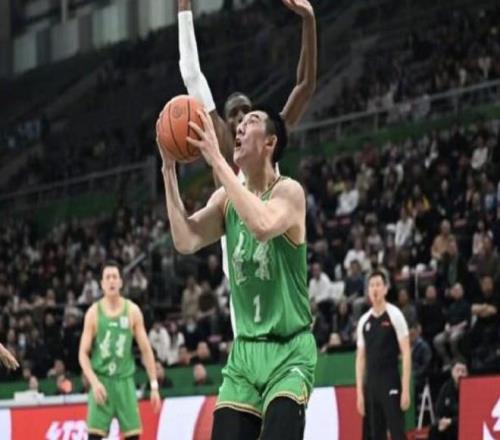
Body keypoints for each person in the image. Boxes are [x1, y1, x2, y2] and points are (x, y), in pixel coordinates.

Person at [158, 107, 316, 440]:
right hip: (244, 355)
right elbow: (185, 239)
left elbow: (262, 225)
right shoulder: (224, 200)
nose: (240, 128)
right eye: (239, 124)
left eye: (251, 121)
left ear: (270, 142)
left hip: (289, 351)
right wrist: (168, 169)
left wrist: (217, 160)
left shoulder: (289, 192)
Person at [79, 261, 161, 440]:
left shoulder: (132, 311)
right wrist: (94, 382)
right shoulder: (93, 313)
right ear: (102, 284)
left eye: (115, 277)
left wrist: (154, 385)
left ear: (121, 282)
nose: (111, 281)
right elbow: (82, 353)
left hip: (125, 381)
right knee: (94, 436)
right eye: (107, 277)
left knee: (133, 436)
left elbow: (146, 350)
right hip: (102, 381)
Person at [356, 270, 411, 440]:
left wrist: (405, 389)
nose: (375, 289)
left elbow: (406, 352)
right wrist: (359, 393)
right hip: (371, 385)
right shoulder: (364, 321)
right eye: (372, 285)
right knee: (375, 435)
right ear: (368, 291)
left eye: (378, 285)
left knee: (397, 431)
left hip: (390, 381)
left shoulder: (395, 315)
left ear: (386, 289)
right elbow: (360, 359)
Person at [428, 359, 468, 440]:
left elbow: (470, 415)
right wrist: (442, 421)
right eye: (457, 371)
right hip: (448, 423)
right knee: (434, 430)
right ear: (452, 372)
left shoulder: (471, 388)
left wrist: (452, 421)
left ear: (467, 374)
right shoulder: (446, 388)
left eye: (463, 371)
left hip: (463, 423)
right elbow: (439, 409)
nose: (460, 374)